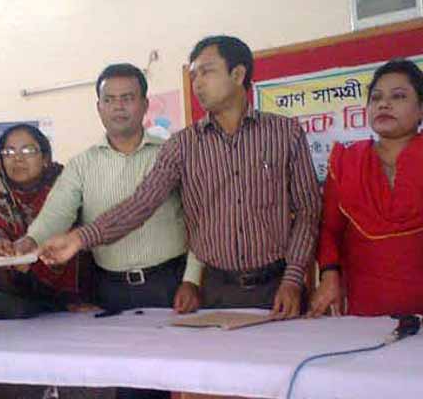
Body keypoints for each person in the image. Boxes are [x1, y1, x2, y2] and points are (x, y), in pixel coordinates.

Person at [40, 36, 321, 319]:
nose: (197, 83)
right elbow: (141, 204)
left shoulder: (285, 134)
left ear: (237, 74)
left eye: (206, 72)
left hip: (278, 287)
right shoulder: (182, 145)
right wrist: (79, 239)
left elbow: (308, 211)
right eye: (194, 75)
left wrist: (293, 279)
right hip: (214, 291)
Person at [14, 63, 205, 317]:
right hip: (108, 288)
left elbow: (200, 221)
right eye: (109, 99)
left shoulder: (172, 154)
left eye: (127, 98)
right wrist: (31, 241)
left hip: (170, 284)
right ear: (99, 107)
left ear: (145, 104)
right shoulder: (81, 165)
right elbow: (56, 214)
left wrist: (192, 280)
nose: (118, 107)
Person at [309, 59, 423, 317]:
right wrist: (329, 274)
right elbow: (329, 230)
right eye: (376, 98)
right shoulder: (347, 161)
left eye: (399, 96)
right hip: (367, 316)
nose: (384, 104)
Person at [0, 123, 93, 319]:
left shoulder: (68, 185)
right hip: (16, 301)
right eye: (8, 152)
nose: (17, 158)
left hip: (77, 300)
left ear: (45, 158)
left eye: (28, 150)